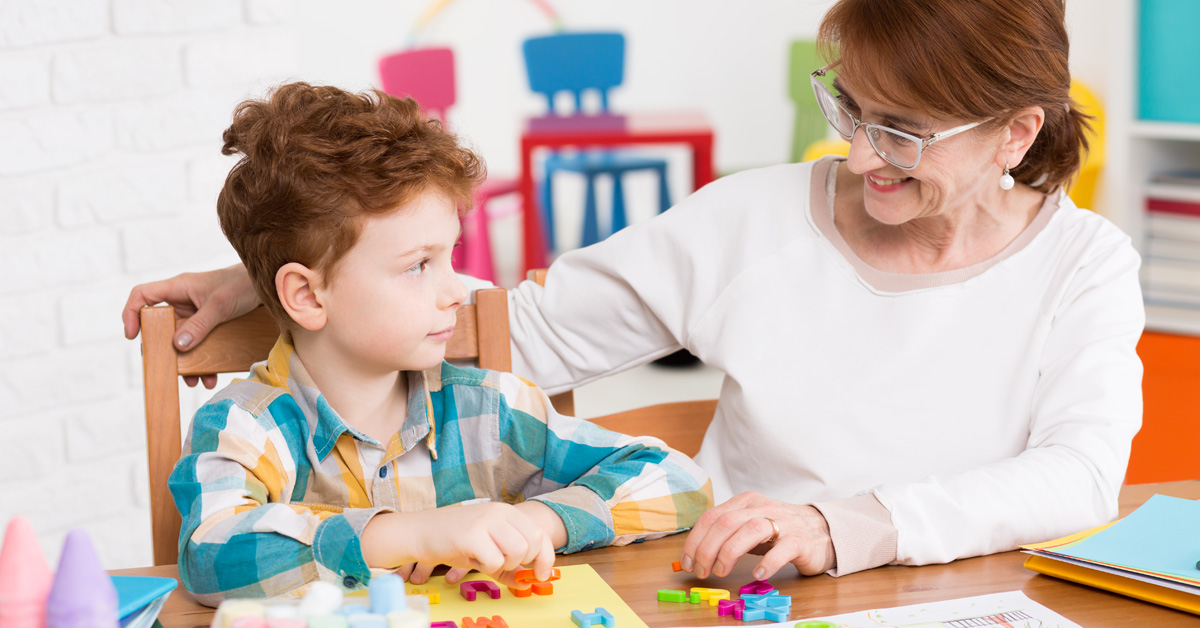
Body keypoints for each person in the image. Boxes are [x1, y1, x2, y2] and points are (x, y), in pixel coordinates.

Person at [125, 0, 1144, 584]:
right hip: (750, 594)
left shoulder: (1085, 263)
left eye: (906, 132)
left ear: (1016, 131)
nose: (863, 152)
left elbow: (1080, 473)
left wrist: (846, 524)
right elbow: (512, 332)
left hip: (972, 594)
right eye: (854, 108)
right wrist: (281, 274)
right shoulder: (754, 219)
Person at [163, 82, 712, 605]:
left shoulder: (490, 409)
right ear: (306, 295)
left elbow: (678, 479)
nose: (455, 291)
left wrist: (537, 521)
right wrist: (409, 536)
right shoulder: (245, 425)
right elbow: (208, 554)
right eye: (418, 265)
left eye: (450, 255)